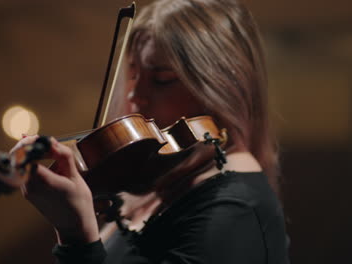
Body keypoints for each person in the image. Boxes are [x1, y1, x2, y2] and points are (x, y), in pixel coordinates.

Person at [14, 0, 290, 263]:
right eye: (133, 74)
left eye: (162, 79)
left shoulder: (233, 211)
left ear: (223, 86)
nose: (135, 95)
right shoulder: (163, 179)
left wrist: (76, 237)